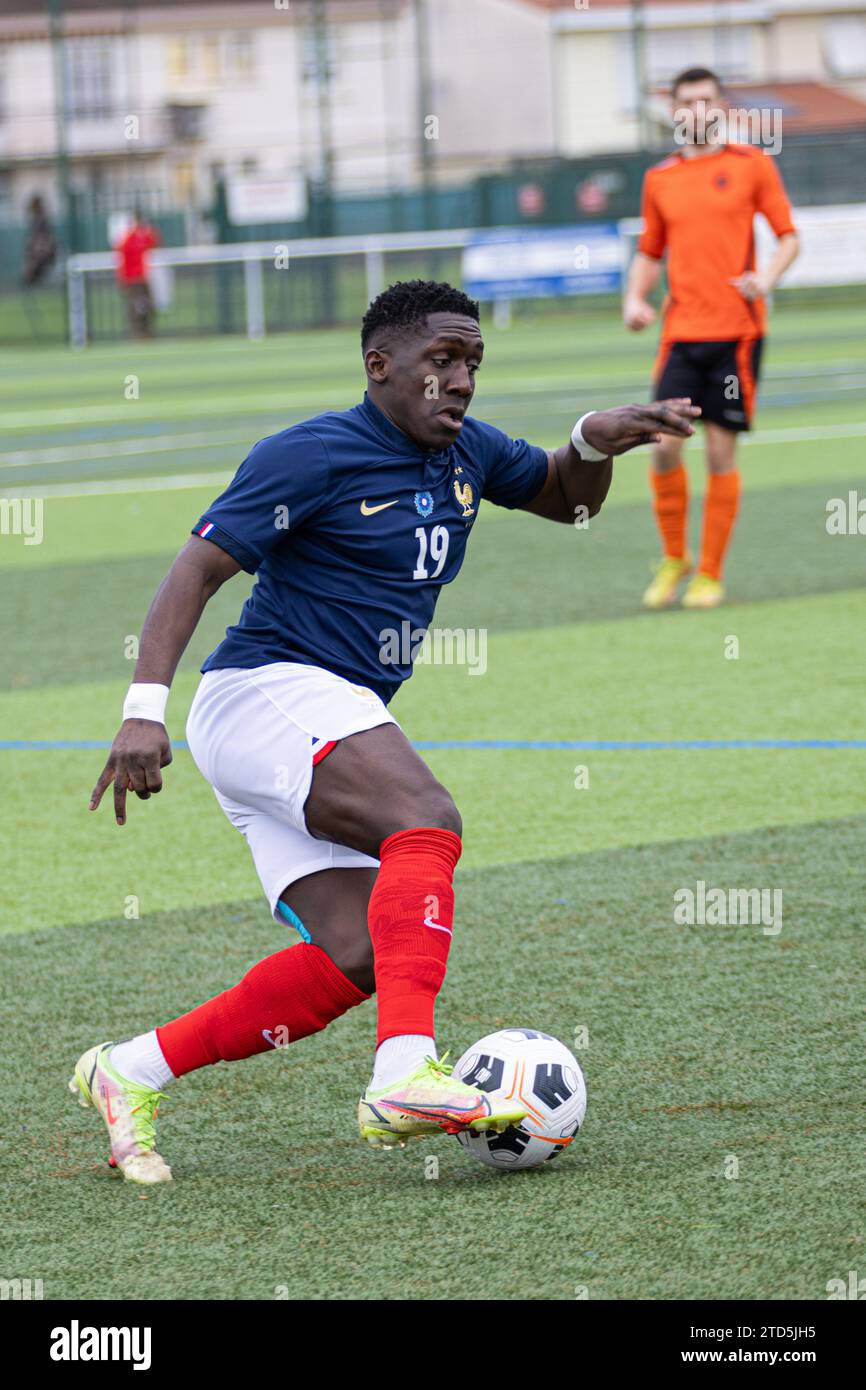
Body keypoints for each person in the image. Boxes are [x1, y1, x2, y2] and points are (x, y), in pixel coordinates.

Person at [74, 279, 698, 1184]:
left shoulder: (468, 452)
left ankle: (129, 1070)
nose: (462, 381)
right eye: (442, 361)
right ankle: (404, 1072)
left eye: (473, 363)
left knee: (357, 953)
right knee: (426, 818)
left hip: (318, 713)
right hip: (267, 692)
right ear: (382, 367)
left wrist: (587, 444)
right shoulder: (311, 454)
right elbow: (197, 567)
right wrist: (141, 710)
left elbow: (571, 501)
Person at [623, 67, 799, 609]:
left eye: (706, 101)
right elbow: (651, 251)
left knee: (720, 453)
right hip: (681, 335)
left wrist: (765, 280)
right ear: (674, 111)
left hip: (737, 335)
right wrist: (635, 298)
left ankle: (710, 572)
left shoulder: (752, 166)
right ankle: (674, 557)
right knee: (663, 447)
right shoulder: (660, 179)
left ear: (721, 106)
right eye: (686, 102)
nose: (696, 111)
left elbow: (789, 238)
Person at [114, 208, 161, 339]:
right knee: (136, 306)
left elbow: (156, 243)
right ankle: (137, 333)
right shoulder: (127, 238)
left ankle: (147, 331)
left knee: (148, 305)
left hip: (145, 278)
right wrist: (121, 278)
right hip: (132, 279)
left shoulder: (146, 235)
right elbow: (121, 258)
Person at [21, 195, 57, 287]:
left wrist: (39, 249)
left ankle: (34, 278)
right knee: (30, 269)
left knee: (33, 266)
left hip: (42, 252)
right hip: (39, 251)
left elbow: (44, 239)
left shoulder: (41, 220)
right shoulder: (36, 220)